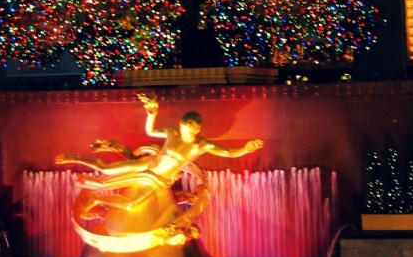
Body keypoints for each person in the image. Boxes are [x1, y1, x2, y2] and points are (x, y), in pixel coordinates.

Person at [56, 92, 264, 219]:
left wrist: (246, 149)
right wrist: (152, 113)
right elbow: (150, 131)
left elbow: (228, 152)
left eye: (187, 130)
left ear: (197, 129)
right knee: (104, 170)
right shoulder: (172, 133)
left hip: (157, 179)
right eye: (182, 128)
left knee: (130, 205)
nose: (182, 132)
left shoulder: (201, 145)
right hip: (148, 163)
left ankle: (97, 198)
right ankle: (73, 157)